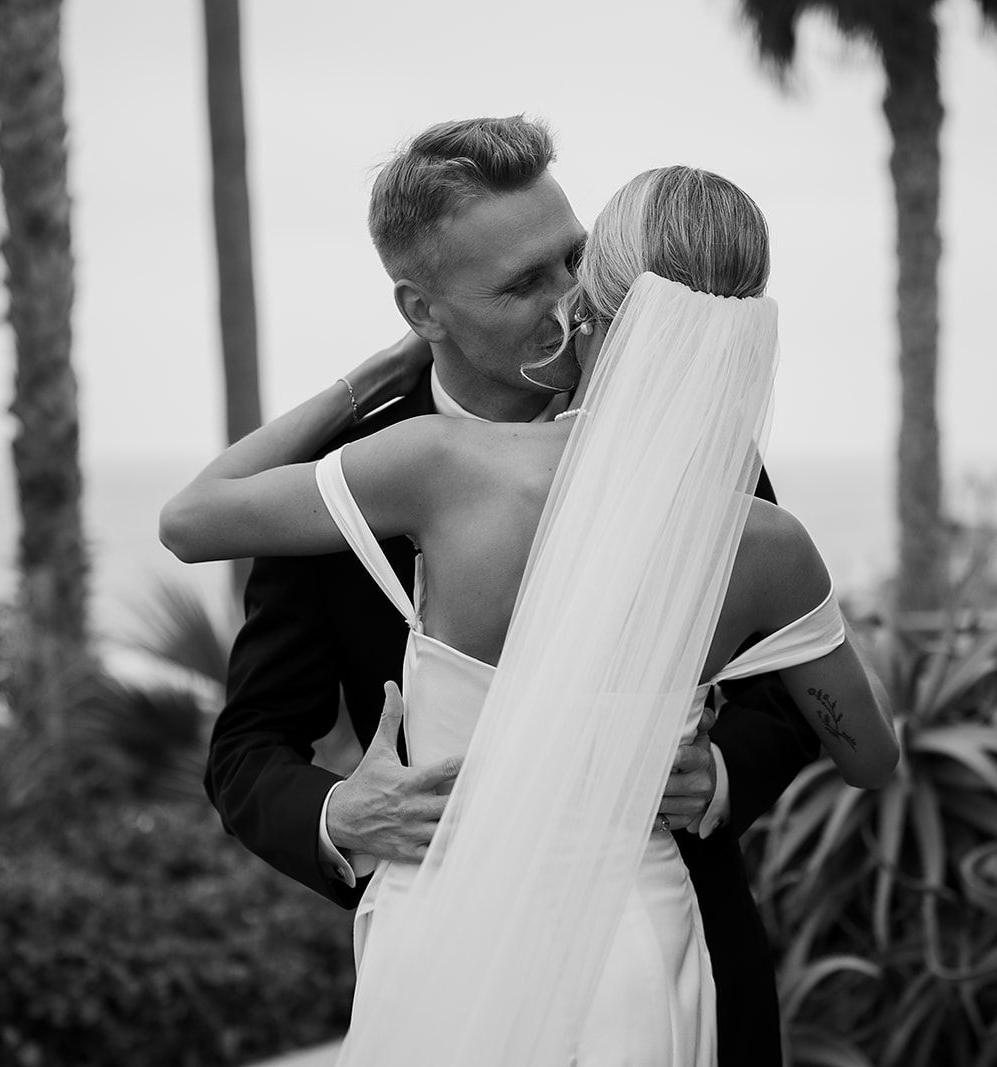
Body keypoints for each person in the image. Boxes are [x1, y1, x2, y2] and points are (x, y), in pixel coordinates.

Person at [163, 162, 898, 1064]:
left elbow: (779, 700)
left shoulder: (693, 464)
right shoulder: (365, 462)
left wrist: (723, 772)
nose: (564, 297)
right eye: (522, 281)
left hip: (668, 928)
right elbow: (246, 749)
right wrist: (340, 815)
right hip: (485, 932)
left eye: (574, 259)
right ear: (422, 312)